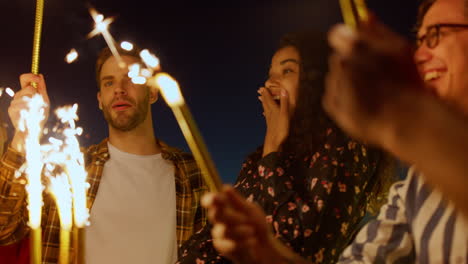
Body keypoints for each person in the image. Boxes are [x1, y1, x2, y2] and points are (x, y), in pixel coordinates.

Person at [199, 0, 468, 263]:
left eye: (436, 35)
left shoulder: (346, 146)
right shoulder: (417, 186)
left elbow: (307, 240)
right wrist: (264, 251)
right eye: (419, 41)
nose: (419, 56)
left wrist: (405, 120)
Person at [177, 32, 394, 264]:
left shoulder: (345, 142)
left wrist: (272, 149)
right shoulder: (264, 157)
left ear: (321, 80)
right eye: (270, 75)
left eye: (287, 71)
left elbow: (298, 245)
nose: (270, 83)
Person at [0, 46, 208, 264]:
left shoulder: (191, 173)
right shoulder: (69, 169)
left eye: (131, 79)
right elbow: (4, 229)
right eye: (109, 82)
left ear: (152, 92)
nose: (119, 89)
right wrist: (25, 132)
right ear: (100, 99)